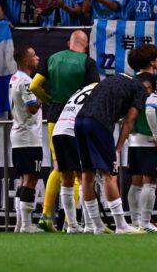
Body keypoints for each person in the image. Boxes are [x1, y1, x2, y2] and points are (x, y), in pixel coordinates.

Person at [29, 30, 100, 232]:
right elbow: (94, 89)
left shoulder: (53, 58)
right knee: (78, 170)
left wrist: (49, 101)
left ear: (70, 42)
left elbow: (34, 85)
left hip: (54, 116)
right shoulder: (86, 62)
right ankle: (71, 222)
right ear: (85, 45)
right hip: (76, 118)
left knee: (59, 167)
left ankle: (45, 215)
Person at [75, 66, 157, 234]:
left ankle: (96, 226)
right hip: (99, 123)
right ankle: (120, 225)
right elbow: (129, 120)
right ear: (147, 87)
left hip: (79, 121)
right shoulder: (140, 90)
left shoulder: (116, 79)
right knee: (109, 174)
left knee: (87, 173)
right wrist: (118, 148)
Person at [52, 83, 110, 234]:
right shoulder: (100, 92)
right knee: (84, 176)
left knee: (66, 179)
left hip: (58, 130)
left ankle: (72, 225)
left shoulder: (81, 90)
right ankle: (90, 225)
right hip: (72, 131)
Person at [126, 44, 157, 233]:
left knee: (135, 181)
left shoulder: (132, 81)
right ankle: (145, 222)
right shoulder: (152, 82)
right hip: (147, 137)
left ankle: (135, 221)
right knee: (149, 181)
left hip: (133, 137)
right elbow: (151, 111)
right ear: (152, 61)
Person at [10, 46, 44, 233]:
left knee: (24, 178)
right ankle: (27, 225)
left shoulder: (14, 78)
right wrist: (41, 98)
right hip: (29, 136)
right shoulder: (26, 82)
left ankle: (20, 224)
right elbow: (32, 107)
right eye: (34, 56)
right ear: (25, 61)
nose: (37, 58)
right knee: (31, 178)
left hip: (19, 135)